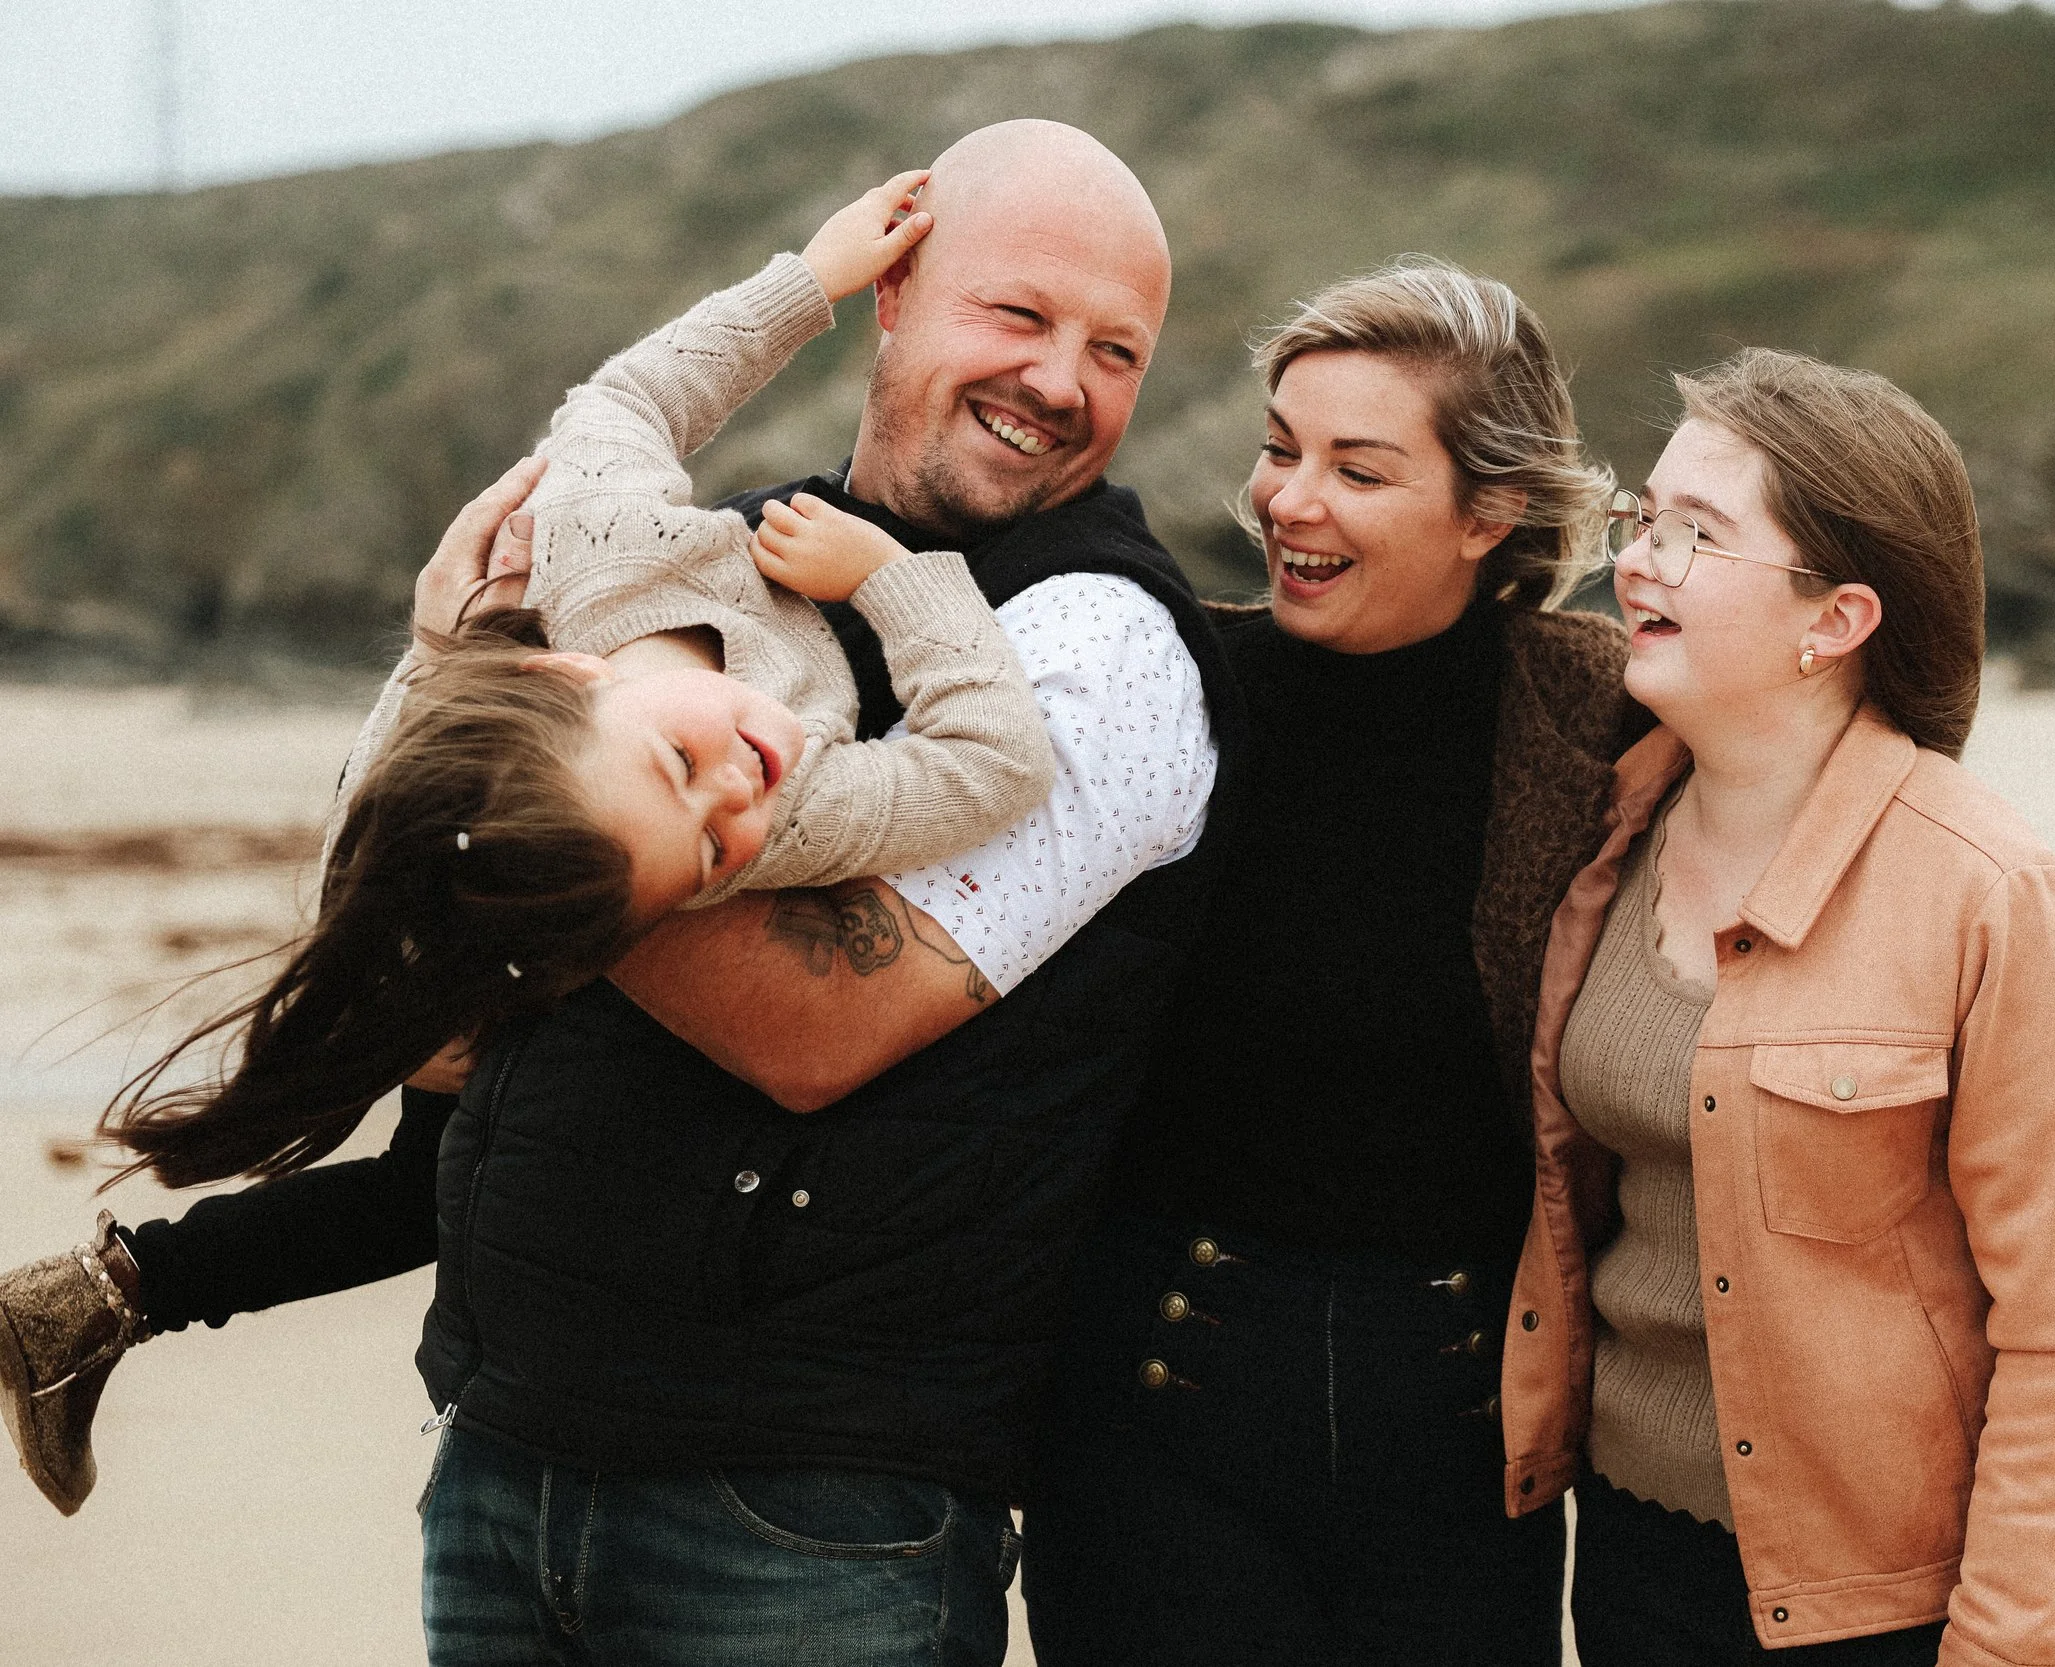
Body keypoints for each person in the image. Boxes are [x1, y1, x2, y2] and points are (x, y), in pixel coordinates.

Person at [0, 120, 1231, 1667]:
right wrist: (467, 683)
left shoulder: (1100, 639)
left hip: (809, 1507)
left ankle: (119, 1287)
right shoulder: (710, 552)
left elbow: (812, 1020)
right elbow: (431, 1014)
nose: (1062, 378)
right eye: (1021, 314)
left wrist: (525, 729)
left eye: (1117, 349)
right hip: (513, 1445)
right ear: (897, 290)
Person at [85, 172, 1052, 1203]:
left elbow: (629, 399)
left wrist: (810, 280)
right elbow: (997, 762)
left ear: (566, 671)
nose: (734, 788)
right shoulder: (786, 813)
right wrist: (884, 580)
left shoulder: (599, 544)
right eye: (711, 847)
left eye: (677, 761)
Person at [1019, 259, 1646, 1666]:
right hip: (1152, 1403)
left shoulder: (1599, 715)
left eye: (1357, 470)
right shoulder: (1175, 683)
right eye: (1279, 449)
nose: (1287, 502)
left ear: (1489, 512)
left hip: (1467, 1439)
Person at [1501, 348, 2055, 1666]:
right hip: (1635, 1568)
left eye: (1699, 534)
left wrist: (2003, 1645)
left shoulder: (1998, 898)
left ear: (1837, 619)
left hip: (1897, 1603)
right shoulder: (1602, 835)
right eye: (1647, 517)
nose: (1639, 559)